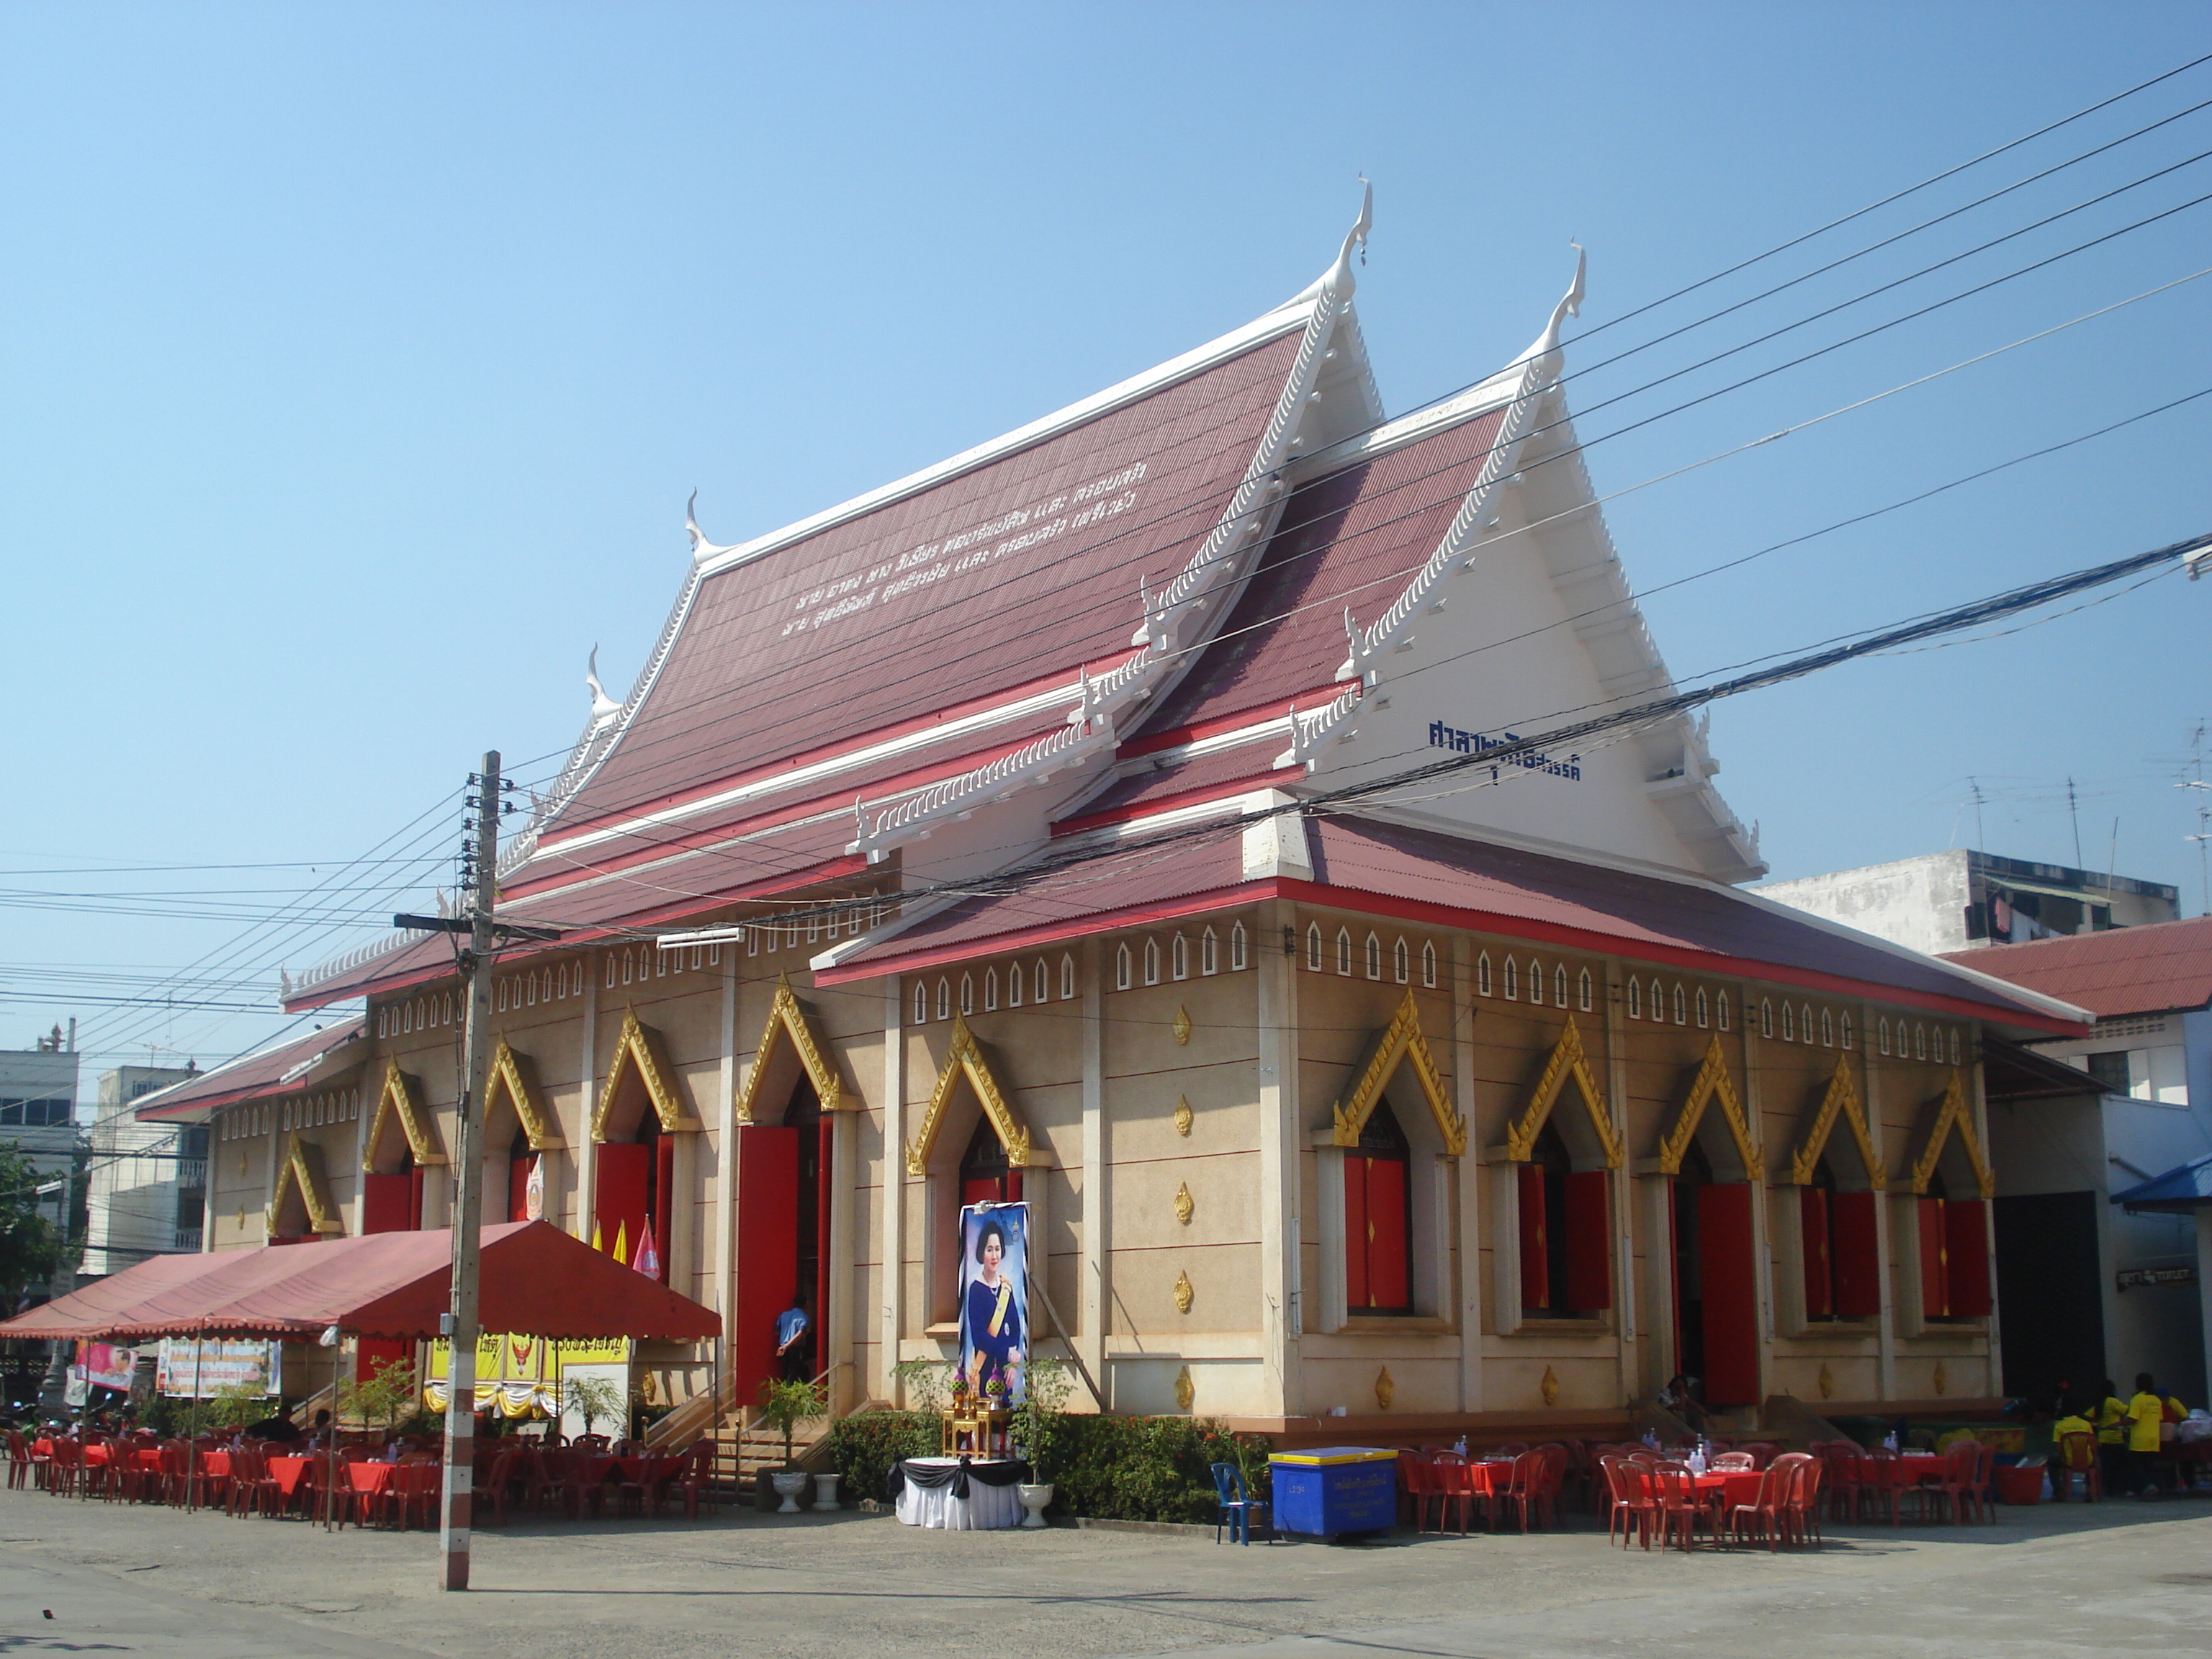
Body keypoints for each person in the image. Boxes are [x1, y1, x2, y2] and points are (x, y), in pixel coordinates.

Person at [963, 1218, 1024, 1392]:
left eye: (997, 1249)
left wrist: (1012, 1363)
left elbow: (1015, 1329)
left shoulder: (1006, 1287)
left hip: (1006, 1371)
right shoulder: (976, 1289)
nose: (994, 1255)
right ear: (982, 1253)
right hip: (986, 1369)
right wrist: (1007, 1353)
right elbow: (980, 1337)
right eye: (989, 1250)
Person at [2125, 1373, 2167, 1496]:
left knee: (2134, 1466)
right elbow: (2160, 1419)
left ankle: (2149, 1487)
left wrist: (2117, 1424)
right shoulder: (2156, 1400)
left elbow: (2133, 1419)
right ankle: (2156, 1488)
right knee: (2150, 1467)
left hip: (2139, 1439)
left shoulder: (2137, 1399)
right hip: (2154, 1439)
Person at [2093, 1379, 2129, 1495]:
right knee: (2120, 1465)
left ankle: (2107, 1490)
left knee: (2106, 1467)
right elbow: (2128, 1411)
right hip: (2115, 1438)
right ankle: (2120, 1489)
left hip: (2102, 1439)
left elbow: (2088, 1415)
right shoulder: (2112, 1401)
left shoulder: (2100, 1403)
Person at [775, 1294, 811, 1383]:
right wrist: (788, 1345)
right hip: (795, 1348)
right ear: (805, 1304)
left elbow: (776, 1331)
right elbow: (801, 1333)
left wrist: (784, 1343)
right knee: (794, 1374)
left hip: (782, 1347)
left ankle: (784, 1393)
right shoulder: (803, 1317)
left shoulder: (783, 1315)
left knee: (785, 1372)